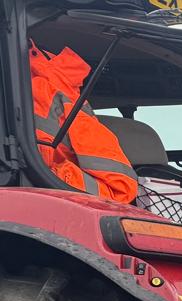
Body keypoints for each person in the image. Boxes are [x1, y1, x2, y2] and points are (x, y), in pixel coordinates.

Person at [30, 42, 138, 203]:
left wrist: (40, 176)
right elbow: (121, 190)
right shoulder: (52, 91)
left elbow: (119, 189)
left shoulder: (52, 92)